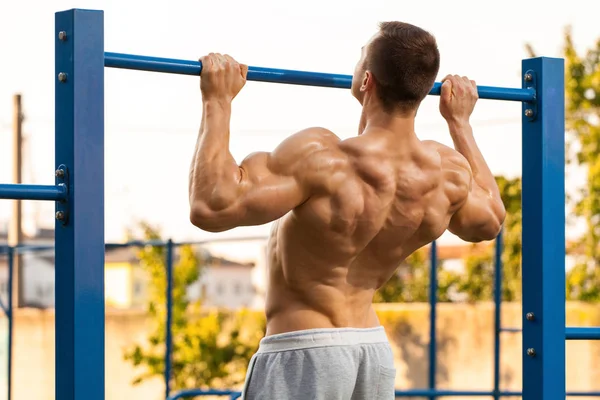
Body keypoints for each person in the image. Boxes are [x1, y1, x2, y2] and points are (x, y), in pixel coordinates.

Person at [188, 21, 506, 400]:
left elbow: (211, 205)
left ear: (367, 80)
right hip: (370, 352)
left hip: (304, 351)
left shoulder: (324, 159)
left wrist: (217, 101)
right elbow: (489, 219)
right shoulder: (444, 173)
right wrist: (460, 123)